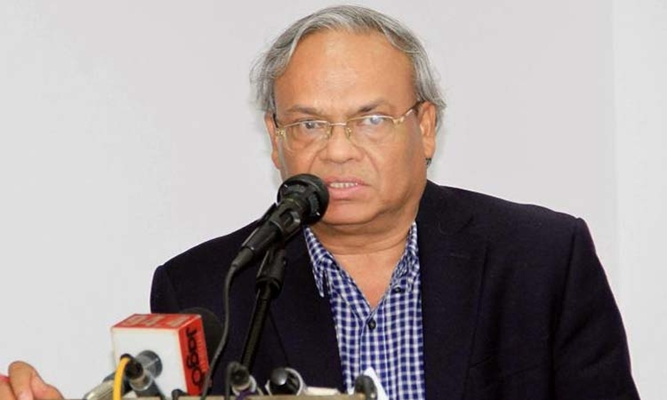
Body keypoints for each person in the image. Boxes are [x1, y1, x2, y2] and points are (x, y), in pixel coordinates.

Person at [1, 5, 639, 400]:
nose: (337, 151)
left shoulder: (541, 260)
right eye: (309, 124)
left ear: (425, 128)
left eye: (371, 120)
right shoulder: (208, 288)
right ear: (275, 138)